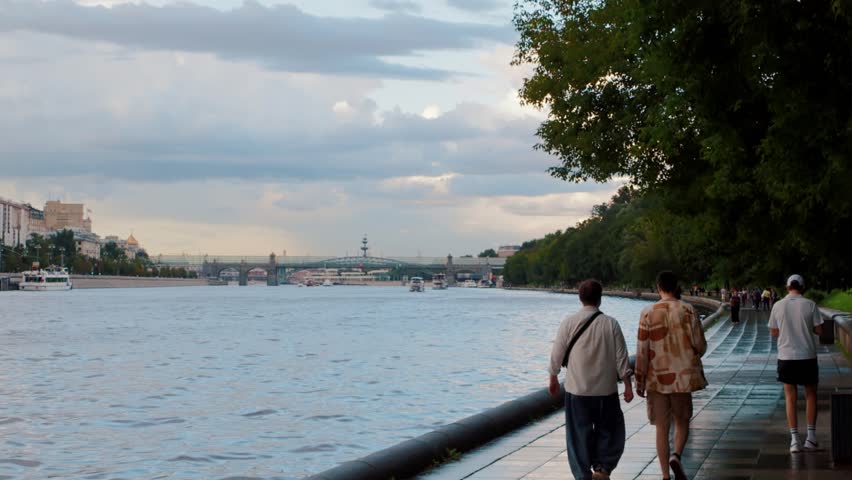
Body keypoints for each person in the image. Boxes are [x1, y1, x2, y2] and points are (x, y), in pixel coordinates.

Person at [549, 279, 634, 480]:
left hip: (577, 390)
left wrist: (553, 377)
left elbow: (557, 353)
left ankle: (582, 475)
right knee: (610, 431)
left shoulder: (568, 322)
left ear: (580, 298)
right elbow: (621, 358)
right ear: (600, 299)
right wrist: (628, 385)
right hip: (606, 391)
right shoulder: (611, 324)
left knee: (578, 435)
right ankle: (603, 469)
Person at [635, 271, 708, 480]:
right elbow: (699, 344)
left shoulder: (647, 312)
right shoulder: (688, 310)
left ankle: (665, 475)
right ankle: (676, 455)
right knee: (683, 420)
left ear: (658, 287)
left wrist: (639, 379)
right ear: (676, 287)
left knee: (661, 427)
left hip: (656, 378)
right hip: (682, 377)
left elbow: (642, 349)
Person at [769, 274, 824, 453]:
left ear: (787, 287)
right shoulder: (810, 304)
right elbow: (819, 330)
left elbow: (774, 332)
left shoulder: (778, 305)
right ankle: (811, 438)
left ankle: (794, 440)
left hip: (786, 356)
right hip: (807, 355)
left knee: (790, 397)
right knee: (811, 395)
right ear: (803, 287)